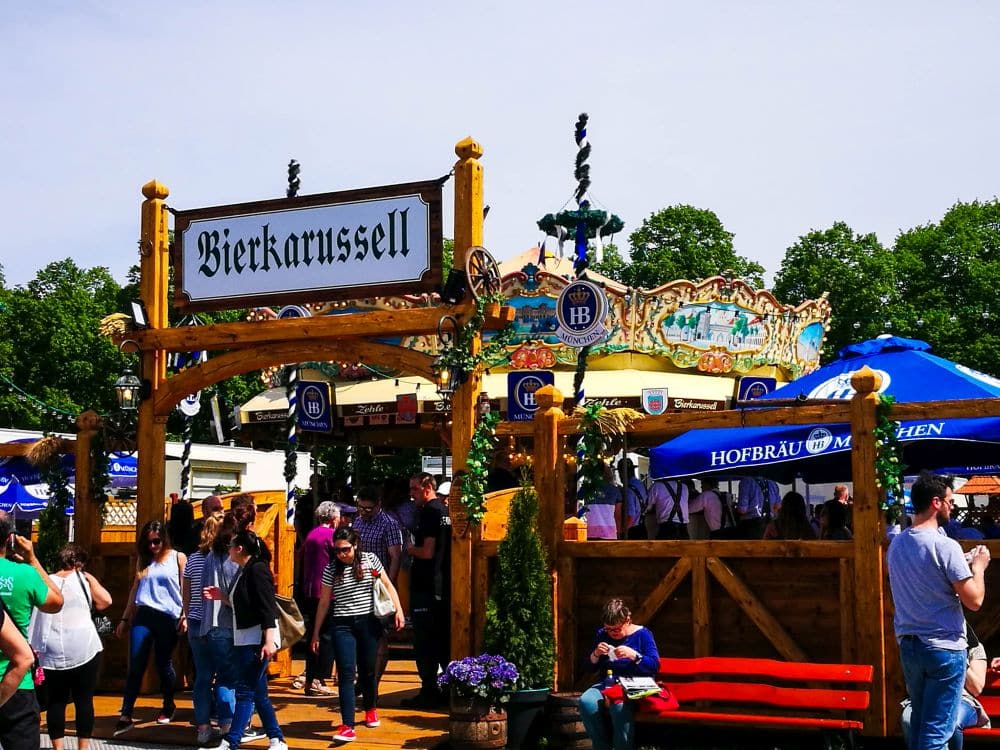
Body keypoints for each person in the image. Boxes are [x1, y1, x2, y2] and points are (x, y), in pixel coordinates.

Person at [887, 471, 991, 750]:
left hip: (910, 645)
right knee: (935, 737)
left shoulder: (896, 544)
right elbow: (975, 600)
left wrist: (962, 562)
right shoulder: (946, 546)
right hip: (944, 648)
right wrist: (978, 567)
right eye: (949, 500)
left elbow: (927, 575)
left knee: (922, 726)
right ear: (935, 503)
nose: (952, 505)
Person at [311, 527, 404, 744]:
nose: (341, 554)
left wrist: (398, 610)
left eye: (345, 549)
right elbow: (324, 602)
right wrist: (315, 632)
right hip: (342, 623)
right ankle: (347, 725)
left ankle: (370, 707)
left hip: (368, 622)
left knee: (368, 669)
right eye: (337, 550)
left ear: (355, 546)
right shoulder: (331, 569)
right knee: (345, 672)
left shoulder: (370, 560)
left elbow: (387, 584)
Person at [204, 529, 287, 750]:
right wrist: (222, 596)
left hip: (257, 640)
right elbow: (244, 606)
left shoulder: (258, 570)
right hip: (245, 638)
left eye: (231, 546)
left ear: (240, 548)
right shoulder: (244, 571)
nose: (228, 549)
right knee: (259, 694)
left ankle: (231, 742)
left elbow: (267, 608)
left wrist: (269, 640)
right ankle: (277, 739)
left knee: (245, 692)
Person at [29, 544, 110, 750]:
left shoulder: (46, 580)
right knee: (84, 700)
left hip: (51, 649)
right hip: (84, 647)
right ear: (80, 563)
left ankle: (58, 748)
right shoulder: (83, 579)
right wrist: (89, 577)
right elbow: (105, 602)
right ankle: (82, 748)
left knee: (57, 701)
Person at [114, 520, 187, 736]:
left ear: (164, 539)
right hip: (144, 613)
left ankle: (168, 703)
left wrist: (185, 614)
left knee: (163, 662)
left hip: (168, 615)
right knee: (136, 662)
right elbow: (135, 590)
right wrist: (125, 619)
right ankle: (126, 712)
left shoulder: (177, 557)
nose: (153, 546)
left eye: (156, 542)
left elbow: (185, 588)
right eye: (148, 543)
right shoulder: (144, 561)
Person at [0, 510, 64, 750]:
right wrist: (32, 559)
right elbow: (56, 602)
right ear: (10, 539)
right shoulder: (25, 574)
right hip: (18, 684)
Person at [579, 598, 660, 750]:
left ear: (627, 620)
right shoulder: (602, 634)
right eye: (608, 629)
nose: (612, 633)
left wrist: (635, 656)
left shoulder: (643, 634)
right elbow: (589, 668)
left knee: (618, 704)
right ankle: (601, 746)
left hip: (635, 684)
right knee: (586, 701)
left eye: (616, 629)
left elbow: (654, 666)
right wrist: (595, 654)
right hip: (609, 683)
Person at [901, 622, 991, 750]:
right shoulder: (923, 648)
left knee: (950, 723)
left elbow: (976, 688)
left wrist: (957, 658)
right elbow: (910, 688)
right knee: (907, 719)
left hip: (963, 701)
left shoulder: (975, 649)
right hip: (925, 700)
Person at [401, 472, 449, 708]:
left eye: (415, 489)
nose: (411, 494)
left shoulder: (431, 511)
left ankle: (429, 691)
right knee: (441, 641)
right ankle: (444, 689)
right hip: (442, 585)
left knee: (425, 643)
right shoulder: (445, 511)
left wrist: (410, 549)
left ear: (428, 487)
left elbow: (427, 551)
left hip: (427, 584)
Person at [351, 485, 403, 686]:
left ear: (378, 505)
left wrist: (388, 588)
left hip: (378, 586)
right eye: (361, 508)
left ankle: (374, 682)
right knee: (359, 633)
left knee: (379, 635)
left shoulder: (389, 524)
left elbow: (395, 556)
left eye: (368, 509)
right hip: (357, 585)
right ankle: (363, 679)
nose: (364, 512)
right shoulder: (358, 521)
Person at [296, 501, 340, 697]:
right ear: (333, 518)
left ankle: (311, 677)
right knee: (326, 635)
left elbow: (299, 556)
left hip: (309, 589)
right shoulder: (331, 536)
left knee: (313, 633)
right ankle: (318, 678)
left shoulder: (312, 534)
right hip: (327, 591)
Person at [585, 464, 623, 540]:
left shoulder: (586, 489)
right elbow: (617, 516)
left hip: (590, 531)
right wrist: (618, 533)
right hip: (609, 532)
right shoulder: (615, 491)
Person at [618, 459, 648, 540]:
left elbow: (630, 518)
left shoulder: (627, 490)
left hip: (632, 533)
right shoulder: (641, 485)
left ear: (621, 473)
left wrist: (619, 532)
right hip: (643, 529)